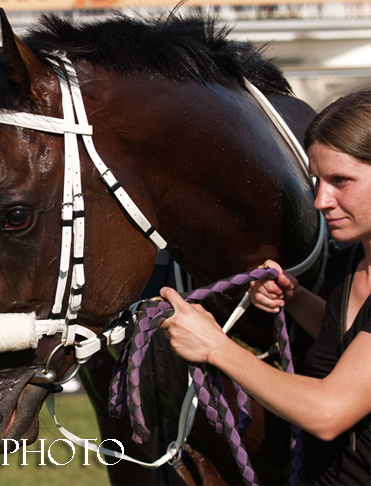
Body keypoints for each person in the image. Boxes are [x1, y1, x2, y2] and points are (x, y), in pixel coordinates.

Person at [159, 88, 371, 484]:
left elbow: (328, 413)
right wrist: (296, 299)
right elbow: (356, 339)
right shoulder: (349, 263)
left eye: (341, 180)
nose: (322, 200)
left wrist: (215, 348)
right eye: (317, 180)